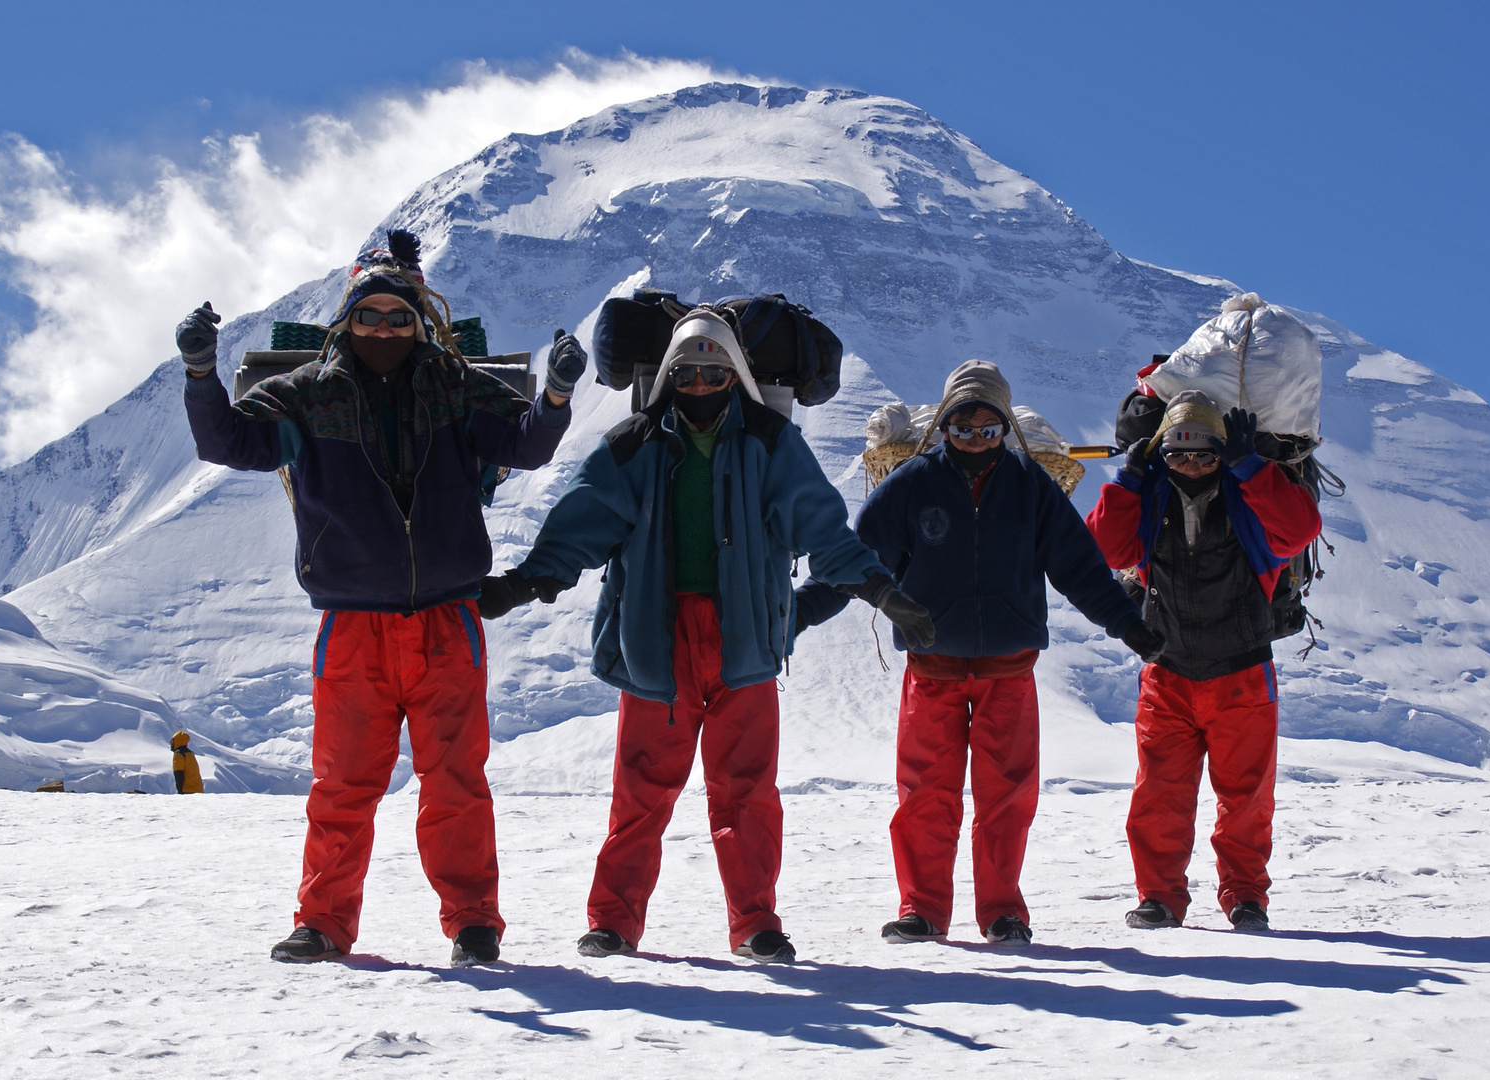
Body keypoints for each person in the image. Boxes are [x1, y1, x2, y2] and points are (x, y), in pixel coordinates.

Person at [178, 229, 585, 967]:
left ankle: (473, 924)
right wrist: (201, 374)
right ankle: (323, 923)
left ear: (419, 322)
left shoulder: (459, 390)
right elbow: (231, 444)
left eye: (399, 317)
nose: (385, 329)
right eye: (370, 317)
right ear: (346, 322)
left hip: (447, 621)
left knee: (456, 782)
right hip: (353, 625)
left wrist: (556, 396)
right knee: (342, 785)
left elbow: (526, 444)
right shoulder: (307, 396)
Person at [478, 309, 931, 965]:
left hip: (742, 638)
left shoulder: (771, 443)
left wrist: (879, 589)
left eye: (712, 371)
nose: (697, 383)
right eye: (686, 371)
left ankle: (756, 923)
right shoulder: (634, 442)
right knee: (640, 792)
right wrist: (524, 583)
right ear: (668, 374)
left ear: (734, 374)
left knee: (746, 791)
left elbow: (822, 528)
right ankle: (612, 922)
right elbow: (583, 520)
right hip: (655, 637)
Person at [794, 360, 1164, 946]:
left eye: (987, 428)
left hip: (1008, 672)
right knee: (924, 795)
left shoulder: (1030, 486)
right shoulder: (911, 484)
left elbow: (1081, 570)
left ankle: (1002, 911)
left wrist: (1129, 625)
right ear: (942, 425)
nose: (973, 439)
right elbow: (855, 563)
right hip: (932, 669)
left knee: (1007, 797)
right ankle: (921, 909)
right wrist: (798, 613)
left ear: (1005, 430)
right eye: (962, 427)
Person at [1087, 389, 1322, 933]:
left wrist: (1251, 468)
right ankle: (1159, 898)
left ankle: (1245, 897)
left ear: (1223, 451)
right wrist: (1126, 481)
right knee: (1159, 795)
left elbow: (1299, 530)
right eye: (1176, 454)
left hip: (1242, 673)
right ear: (1159, 454)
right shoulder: (1149, 499)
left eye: (1204, 454)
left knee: (1245, 798)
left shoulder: (1250, 499)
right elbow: (1106, 550)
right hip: (1166, 673)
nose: (1190, 465)